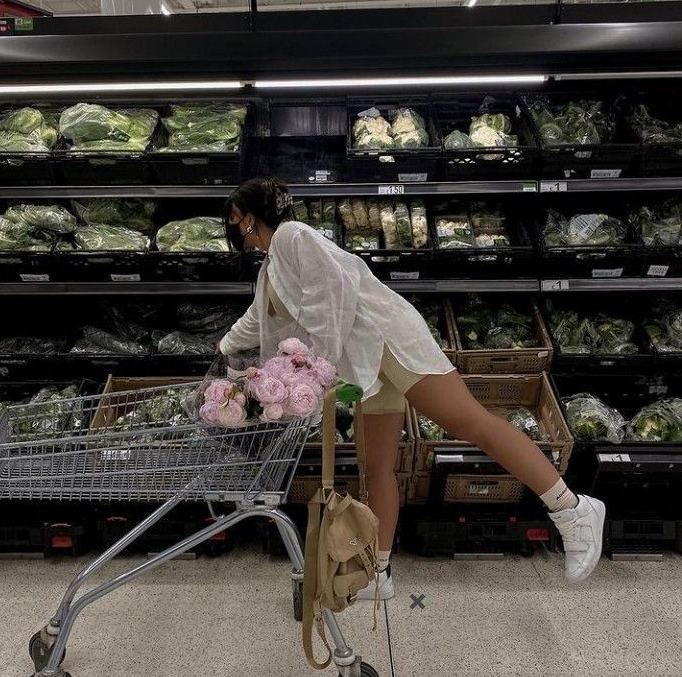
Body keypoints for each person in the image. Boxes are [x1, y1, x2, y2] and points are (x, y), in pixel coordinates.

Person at [219, 177, 606, 599]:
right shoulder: (270, 267)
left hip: (386, 341)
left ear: (248, 217)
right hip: (365, 364)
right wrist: (221, 350)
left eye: (235, 221)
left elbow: (330, 294)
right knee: (377, 467)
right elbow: (256, 321)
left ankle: (572, 509)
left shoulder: (294, 236)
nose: (236, 231)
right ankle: (379, 573)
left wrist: (315, 365)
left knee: (468, 421)